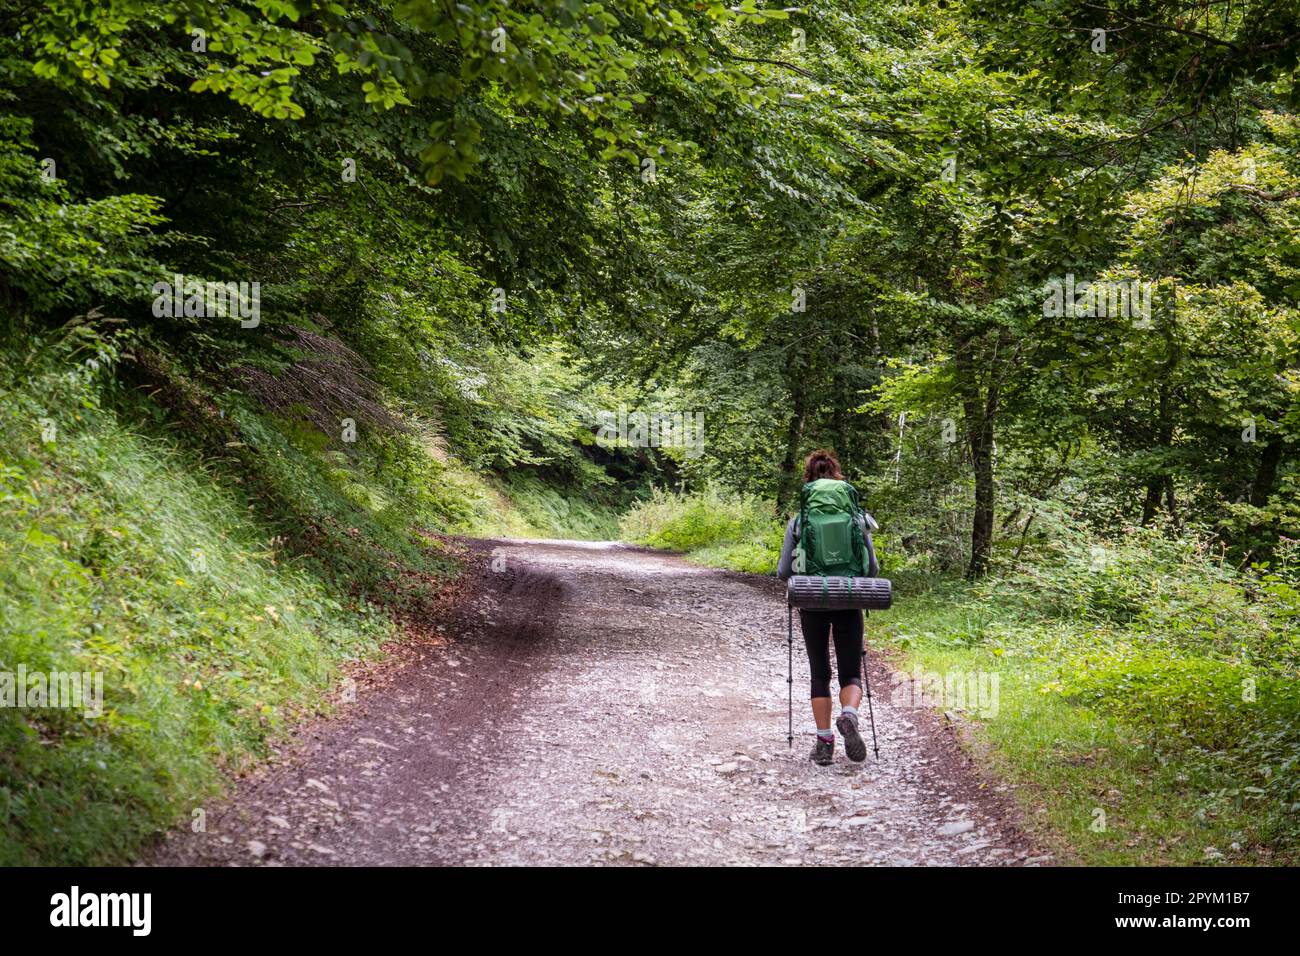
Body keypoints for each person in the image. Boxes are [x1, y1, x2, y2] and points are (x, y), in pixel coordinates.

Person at [777, 449, 879, 766]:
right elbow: (872, 569)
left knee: (820, 673)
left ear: (808, 480)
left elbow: (784, 572)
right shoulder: (857, 519)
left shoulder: (799, 522)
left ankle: (824, 743)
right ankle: (849, 714)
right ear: (838, 477)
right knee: (851, 672)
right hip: (849, 601)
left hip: (813, 605)